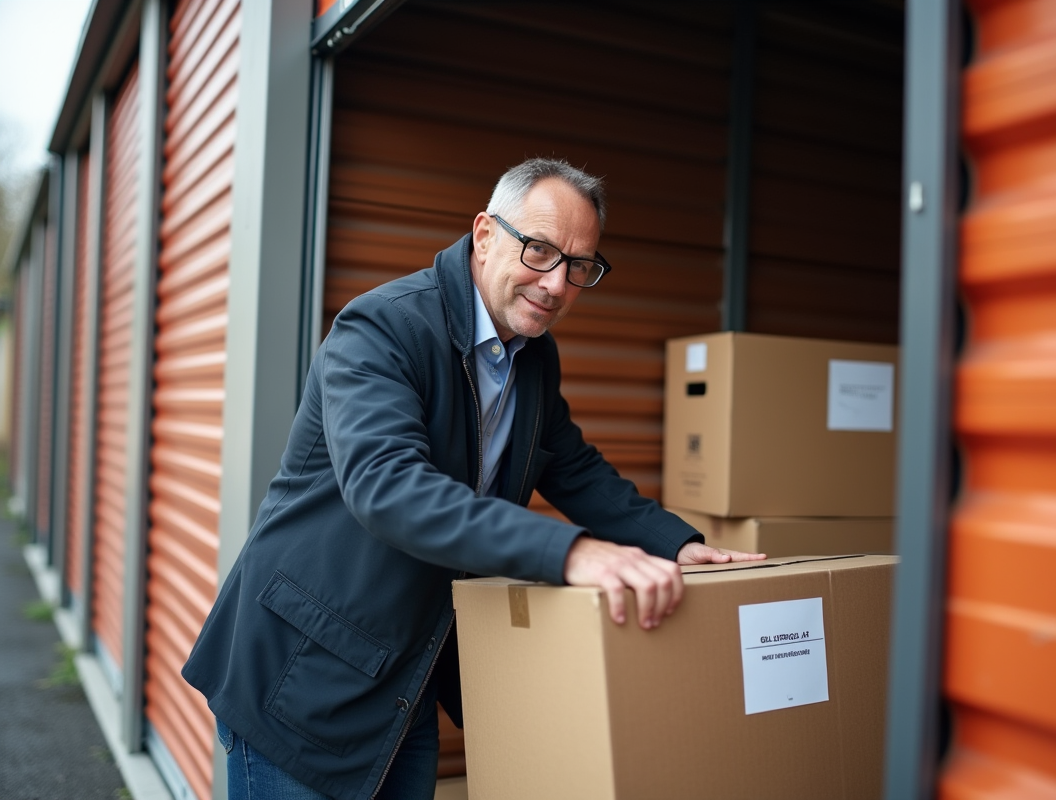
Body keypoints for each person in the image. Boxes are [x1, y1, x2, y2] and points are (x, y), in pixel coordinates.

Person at [182, 158, 763, 800]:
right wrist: (571, 553)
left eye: (579, 266)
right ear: (485, 234)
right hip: (302, 674)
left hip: (402, 679)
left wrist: (675, 543)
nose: (557, 283)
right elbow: (388, 486)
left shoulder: (532, 355)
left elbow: (571, 466)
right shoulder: (383, 328)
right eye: (540, 250)